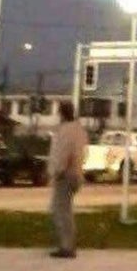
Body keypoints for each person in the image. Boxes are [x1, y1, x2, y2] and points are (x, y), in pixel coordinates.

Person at [47, 100, 88, 259]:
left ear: (62, 113)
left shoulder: (65, 131)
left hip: (65, 175)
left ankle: (67, 246)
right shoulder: (79, 130)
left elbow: (63, 154)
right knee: (64, 210)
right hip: (76, 174)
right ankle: (68, 243)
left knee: (60, 210)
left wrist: (57, 171)